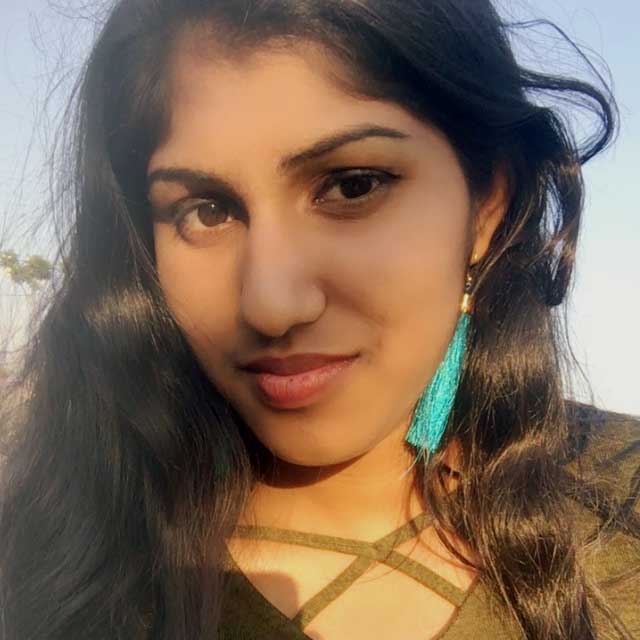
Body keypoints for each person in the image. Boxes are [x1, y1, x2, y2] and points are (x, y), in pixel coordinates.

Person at [0, 0, 638, 638]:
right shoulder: (56, 560)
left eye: (352, 185)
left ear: (486, 208)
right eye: (206, 210)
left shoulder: (622, 502)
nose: (271, 305)